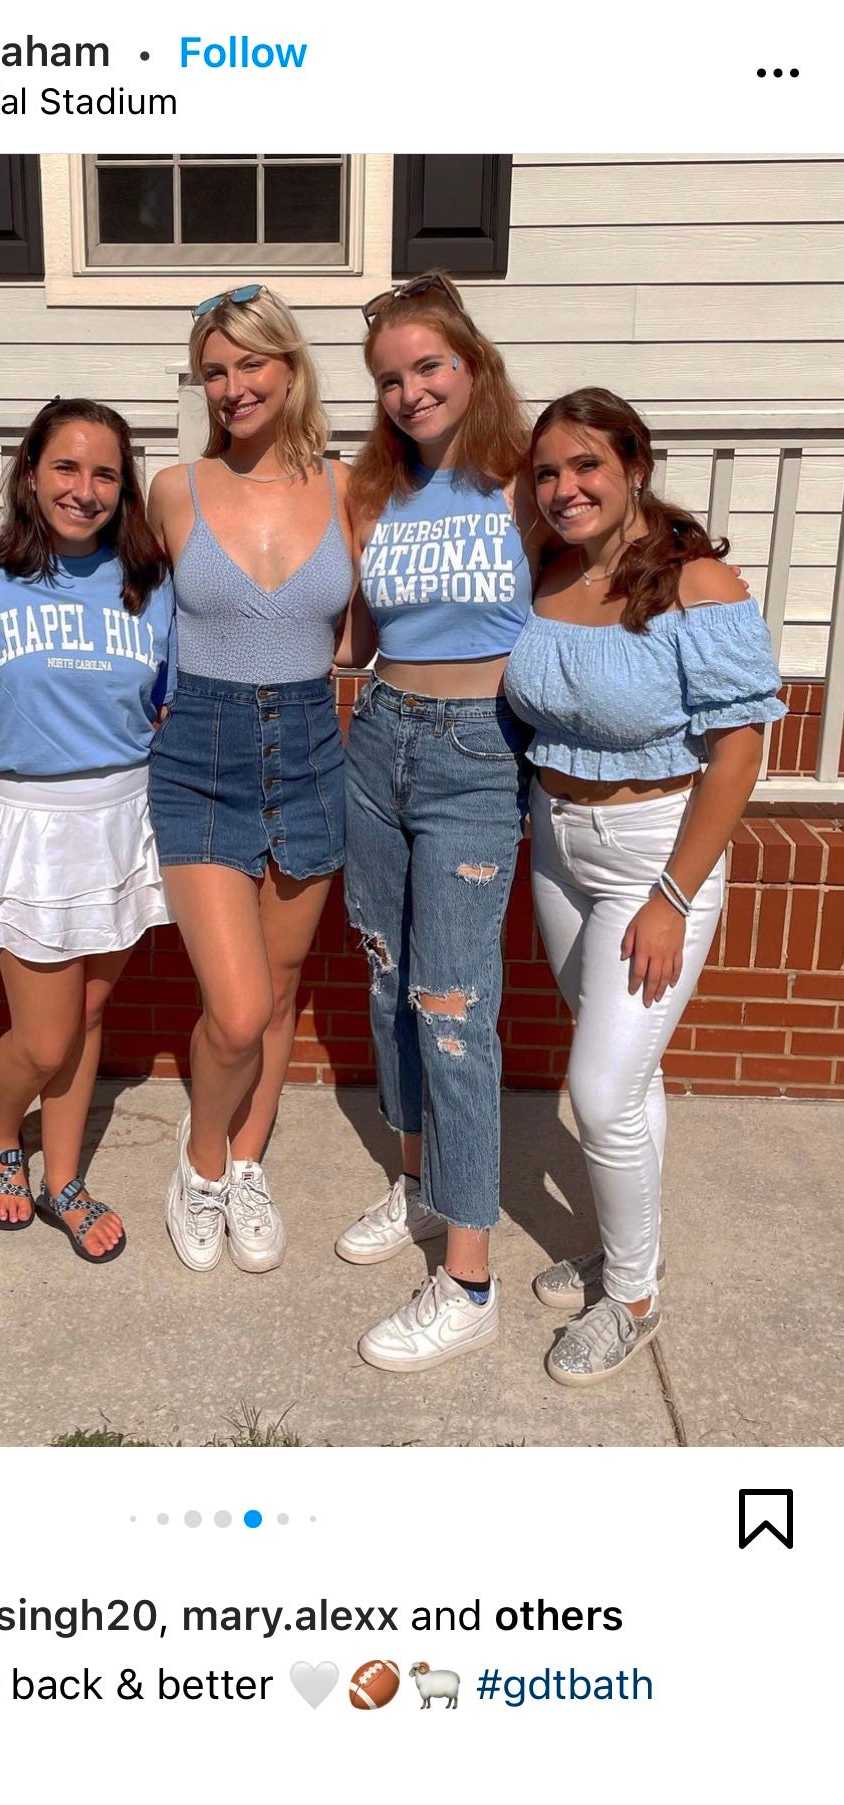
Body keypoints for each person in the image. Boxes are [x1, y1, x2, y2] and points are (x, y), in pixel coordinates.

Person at [503, 387, 785, 1384]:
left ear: (635, 465)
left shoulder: (696, 584)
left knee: (599, 1087)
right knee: (633, 1078)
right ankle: (630, 1251)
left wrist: (672, 892)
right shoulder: (548, 570)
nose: (564, 487)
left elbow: (741, 752)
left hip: (654, 852)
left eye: (586, 466)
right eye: (547, 472)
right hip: (557, 841)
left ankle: (633, 1298)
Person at [334, 271, 552, 1371]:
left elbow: (618, 570)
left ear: (472, 363)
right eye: (389, 379)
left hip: (477, 757)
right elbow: (353, 634)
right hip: (380, 738)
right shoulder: (372, 493)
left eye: (428, 367)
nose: (410, 391)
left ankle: (469, 1280)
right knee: (384, 978)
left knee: (453, 1010)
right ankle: (420, 1183)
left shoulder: (526, 484)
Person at [147, 286, 356, 1274]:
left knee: (277, 991)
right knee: (231, 1005)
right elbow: (133, 612)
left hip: (314, 746)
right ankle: (199, 1162)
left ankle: (246, 1158)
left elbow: (359, 630)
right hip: (201, 755)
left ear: (290, 366)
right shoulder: (173, 489)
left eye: (249, 365)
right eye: (214, 371)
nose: (232, 386)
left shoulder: (351, 486)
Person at [0, 399, 175, 1263]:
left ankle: (63, 1176)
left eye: (105, 474)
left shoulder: (151, 587)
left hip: (124, 815)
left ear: (125, 490)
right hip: (32, 820)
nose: (83, 490)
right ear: (29, 472)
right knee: (44, 1034)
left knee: (89, 1012)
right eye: (66, 468)